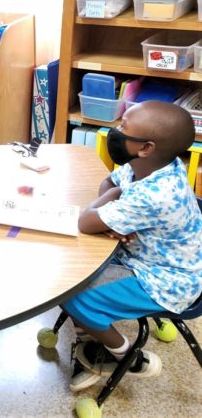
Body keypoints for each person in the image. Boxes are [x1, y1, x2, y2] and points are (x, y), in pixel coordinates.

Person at [63, 101, 202, 391]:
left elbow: (86, 221)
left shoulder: (155, 193)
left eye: (123, 127)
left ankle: (126, 356)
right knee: (76, 266)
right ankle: (90, 331)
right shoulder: (152, 165)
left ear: (146, 147)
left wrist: (115, 200)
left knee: (71, 293)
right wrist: (115, 206)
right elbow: (108, 181)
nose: (116, 131)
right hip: (151, 259)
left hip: (166, 281)